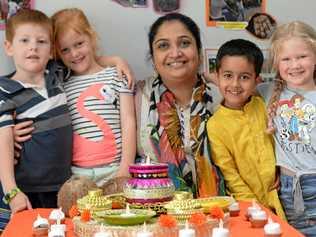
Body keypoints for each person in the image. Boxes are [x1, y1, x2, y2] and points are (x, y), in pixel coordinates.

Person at [135, 12, 224, 198]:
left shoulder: (222, 97)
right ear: (153, 58)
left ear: (198, 52)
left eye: (184, 43)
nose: (175, 53)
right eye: (163, 46)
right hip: (153, 210)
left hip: (219, 211)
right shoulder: (136, 99)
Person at [51, 8, 136, 185]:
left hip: (115, 169)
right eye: (65, 50)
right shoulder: (62, 83)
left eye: (79, 44)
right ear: (57, 53)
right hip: (77, 174)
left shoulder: (117, 75)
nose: (74, 54)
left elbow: (128, 121)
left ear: (92, 37)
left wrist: (126, 167)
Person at [0, 9, 72, 214]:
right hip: (27, 188)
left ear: (51, 51)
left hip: (64, 184)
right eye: (24, 40)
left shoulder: (57, 74)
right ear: (9, 47)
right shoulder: (5, 90)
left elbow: (86, 62)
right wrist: (12, 192)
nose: (33, 46)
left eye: (41, 41)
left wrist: (115, 61)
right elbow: (3, 142)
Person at [206, 39, 285, 219]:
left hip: (281, 197)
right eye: (227, 75)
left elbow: (280, 142)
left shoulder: (265, 106)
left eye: (244, 77)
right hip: (247, 209)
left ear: (257, 80)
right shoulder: (215, 125)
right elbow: (229, 173)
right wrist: (254, 208)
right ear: (217, 76)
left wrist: (281, 168)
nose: (235, 84)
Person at [257, 21, 316, 236]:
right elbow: (235, 86)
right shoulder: (267, 91)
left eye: (302, 57)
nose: (295, 65)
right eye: (286, 59)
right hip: (288, 190)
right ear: (276, 63)